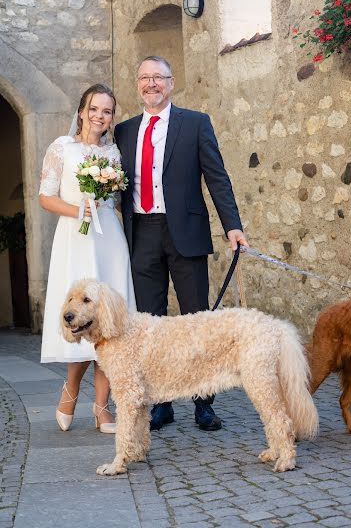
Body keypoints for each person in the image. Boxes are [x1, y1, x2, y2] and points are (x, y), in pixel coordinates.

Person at [115, 56, 248, 432]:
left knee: (196, 321)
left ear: (171, 83)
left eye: (159, 77)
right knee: (149, 323)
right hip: (140, 234)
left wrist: (232, 226)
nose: (151, 84)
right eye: (145, 77)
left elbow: (217, 178)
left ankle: (203, 403)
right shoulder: (124, 131)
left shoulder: (195, 123)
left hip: (185, 233)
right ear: (137, 84)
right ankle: (160, 404)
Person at [39, 84, 136, 433]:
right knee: (79, 316)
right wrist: (79, 209)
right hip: (75, 239)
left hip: (109, 239)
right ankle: (70, 390)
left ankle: (102, 407)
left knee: (107, 321)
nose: (99, 116)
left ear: (112, 117)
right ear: (81, 111)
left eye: (107, 111)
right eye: (94, 109)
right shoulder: (61, 148)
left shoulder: (113, 153)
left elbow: (120, 202)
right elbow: (45, 198)